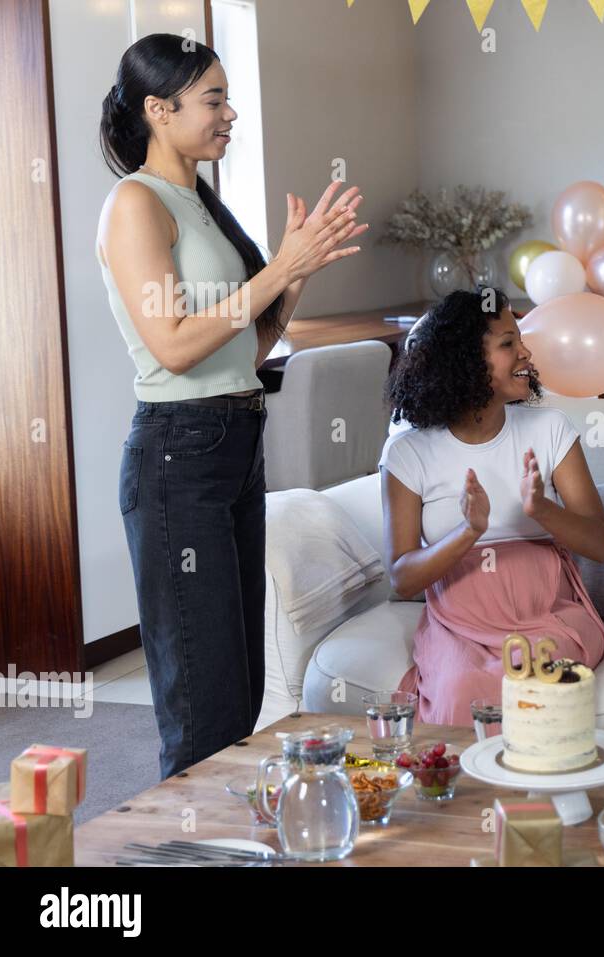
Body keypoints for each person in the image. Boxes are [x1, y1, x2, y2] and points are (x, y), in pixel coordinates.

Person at [97, 34, 366, 778]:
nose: (230, 113)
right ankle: (182, 854)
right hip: (179, 455)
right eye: (214, 99)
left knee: (240, 696)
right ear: (159, 109)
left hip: (236, 443)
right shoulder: (135, 204)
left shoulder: (200, 203)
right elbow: (175, 345)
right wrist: (280, 265)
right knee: (203, 709)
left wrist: (296, 275)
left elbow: (244, 353)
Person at [380, 288, 604, 724]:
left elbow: (600, 544)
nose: (526, 352)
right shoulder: (407, 453)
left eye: (520, 340)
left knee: (535, 682)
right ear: (463, 360)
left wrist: (542, 509)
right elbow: (403, 578)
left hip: (546, 612)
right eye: (508, 343)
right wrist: (468, 532)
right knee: (461, 690)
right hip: (459, 620)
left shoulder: (550, 428)